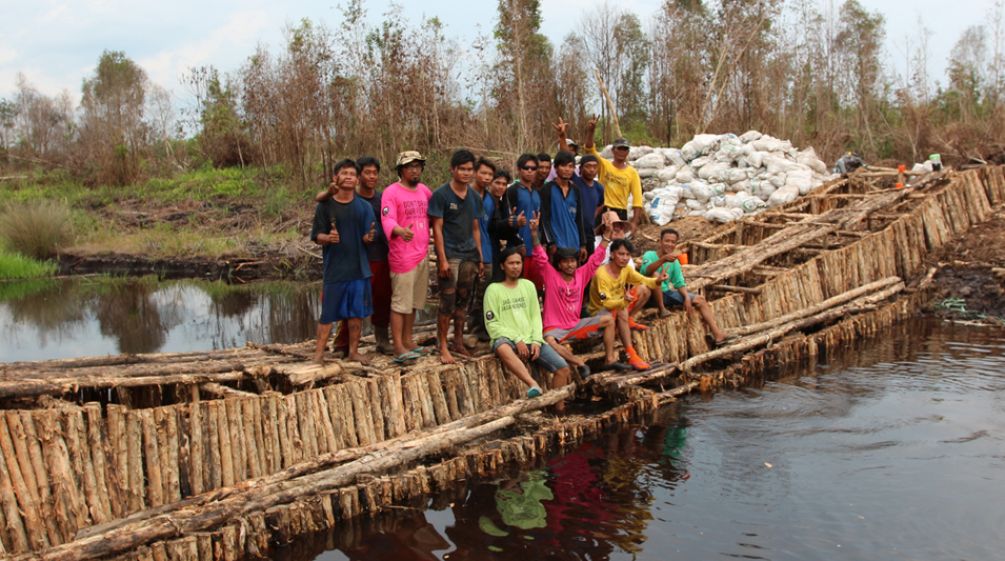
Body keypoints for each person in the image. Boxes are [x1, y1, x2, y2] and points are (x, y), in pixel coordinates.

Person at [315, 156, 393, 355]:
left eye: (375, 173)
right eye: (367, 172)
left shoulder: (380, 200)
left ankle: (381, 341)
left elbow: (387, 223)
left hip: (377, 256)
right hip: (348, 261)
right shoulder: (339, 200)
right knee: (342, 305)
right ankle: (341, 345)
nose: (371, 177)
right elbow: (321, 202)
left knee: (378, 300)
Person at [484, 246, 574, 411]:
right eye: (511, 263)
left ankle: (558, 408)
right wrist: (516, 338)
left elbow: (535, 316)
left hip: (532, 339)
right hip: (507, 338)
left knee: (563, 368)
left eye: (518, 263)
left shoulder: (528, 286)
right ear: (502, 266)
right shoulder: (493, 290)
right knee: (502, 347)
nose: (516, 266)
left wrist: (535, 340)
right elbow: (492, 323)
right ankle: (533, 384)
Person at [528, 210, 615, 378]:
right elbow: (540, 256)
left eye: (572, 261)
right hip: (554, 328)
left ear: (577, 262)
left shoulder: (582, 274)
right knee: (549, 340)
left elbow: (596, 258)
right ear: (559, 265)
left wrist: (607, 235)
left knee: (609, 320)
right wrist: (533, 233)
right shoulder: (550, 275)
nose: (569, 265)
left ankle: (610, 358)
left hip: (576, 325)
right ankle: (580, 363)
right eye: (565, 262)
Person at [429, 149, 485, 364]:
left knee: (464, 300)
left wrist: (480, 257)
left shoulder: (474, 197)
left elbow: (476, 228)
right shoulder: (441, 195)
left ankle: (458, 341)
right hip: (451, 254)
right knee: (447, 301)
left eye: (470, 169)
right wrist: (442, 259)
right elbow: (438, 229)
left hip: (469, 254)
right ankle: (442, 345)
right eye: (462, 169)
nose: (466, 173)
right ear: (453, 170)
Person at [381, 151, 433, 365]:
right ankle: (398, 346)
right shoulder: (391, 192)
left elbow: (435, 212)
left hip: (422, 253)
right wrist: (399, 230)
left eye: (418, 166)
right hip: (402, 255)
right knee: (400, 303)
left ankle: (408, 339)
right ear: (401, 169)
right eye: (410, 166)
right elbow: (387, 217)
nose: (414, 170)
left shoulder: (424, 191)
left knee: (414, 302)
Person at [641, 228, 732, 345]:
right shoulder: (650, 255)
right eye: (666, 241)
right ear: (660, 241)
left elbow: (679, 282)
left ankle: (717, 333)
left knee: (700, 299)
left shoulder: (674, 262)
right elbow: (646, 271)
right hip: (649, 295)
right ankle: (662, 309)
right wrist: (662, 260)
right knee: (655, 275)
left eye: (673, 242)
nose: (669, 244)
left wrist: (686, 297)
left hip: (665, 293)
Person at [587, 238, 667, 371]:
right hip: (599, 311)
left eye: (627, 255)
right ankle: (630, 354)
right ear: (612, 255)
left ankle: (625, 322)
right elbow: (605, 302)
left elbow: (643, 280)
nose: (624, 258)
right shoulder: (602, 275)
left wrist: (657, 281)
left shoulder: (625, 270)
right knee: (622, 310)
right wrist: (623, 302)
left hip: (618, 304)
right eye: (621, 254)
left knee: (643, 290)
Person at [581, 115, 643, 232]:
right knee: (600, 241)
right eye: (619, 148)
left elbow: (637, 199)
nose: (621, 152)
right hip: (603, 209)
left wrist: (634, 222)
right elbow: (589, 149)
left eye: (624, 149)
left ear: (628, 152)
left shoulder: (632, 172)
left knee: (617, 244)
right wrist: (591, 131)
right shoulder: (604, 165)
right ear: (613, 150)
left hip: (620, 212)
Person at [538, 150, 589, 262]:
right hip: (556, 246)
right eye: (563, 165)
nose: (567, 169)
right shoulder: (547, 189)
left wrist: (583, 244)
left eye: (570, 166)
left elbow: (579, 219)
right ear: (556, 168)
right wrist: (550, 242)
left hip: (574, 243)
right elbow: (543, 219)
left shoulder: (575, 190)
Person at [469, 158, 497, 342]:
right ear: (475, 172)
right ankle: (467, 329)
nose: (486, 178)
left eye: (490, 175)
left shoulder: (490, 198)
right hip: (466, 251)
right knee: (466, 292)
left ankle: (480, 328)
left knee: (484, 292)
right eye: (483, 173)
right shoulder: (466, 194)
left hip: (487, 250)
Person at [507, 154, 543, 288]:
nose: (530, 171)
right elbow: (508, 219)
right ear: (519, 169)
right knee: (517, 286)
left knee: (535, 288)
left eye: (533, 168)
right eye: (526, 168)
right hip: (518, 249)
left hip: (535, 248)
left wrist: (542, 243)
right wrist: (517, 242)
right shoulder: (512, 191)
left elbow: (541, 219)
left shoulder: (537, 192)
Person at [486, 169, 523, 281]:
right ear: (490, 183)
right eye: (497, 183)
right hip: (485, 249)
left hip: (496, 249)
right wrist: (508, 222)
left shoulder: (502, 204)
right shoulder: (486, 201)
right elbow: (490, 226)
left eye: (504, 184)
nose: (501, 187)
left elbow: (504, 232)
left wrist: (516, 224)